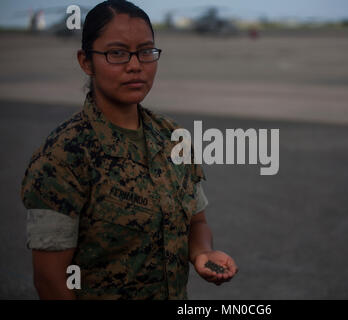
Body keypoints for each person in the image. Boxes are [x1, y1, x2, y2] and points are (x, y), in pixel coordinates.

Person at [21, 0, 238, 300]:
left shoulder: (173, 137)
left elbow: (197, 222)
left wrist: (202, 253)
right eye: (117, 53)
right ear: (86, 61)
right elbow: (50, 281)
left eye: (146, 51)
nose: (135, 65)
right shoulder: (63, 157)